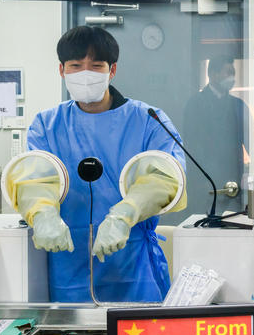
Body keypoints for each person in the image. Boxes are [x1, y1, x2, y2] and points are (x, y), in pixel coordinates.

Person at [17, 26, 186, 302]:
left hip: (132, 265)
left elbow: (165, 178)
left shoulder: (148, 120)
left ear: (112, 70)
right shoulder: (46, 125)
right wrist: (42, 214)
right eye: (75, 65)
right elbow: (35, 180)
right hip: (68, 266)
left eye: (96, 66)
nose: (86, 73)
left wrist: (124, 215)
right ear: (61, 70)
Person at [182, 55, 249, 215]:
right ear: (212, 74)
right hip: (204, 183)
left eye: (233, 73)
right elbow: (191, 146)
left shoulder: (238, 106)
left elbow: (250, 142)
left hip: (234, 183)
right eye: (228, 72)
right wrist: (199, 181)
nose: (232, 77)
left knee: (234, 227)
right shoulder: (195, 105)